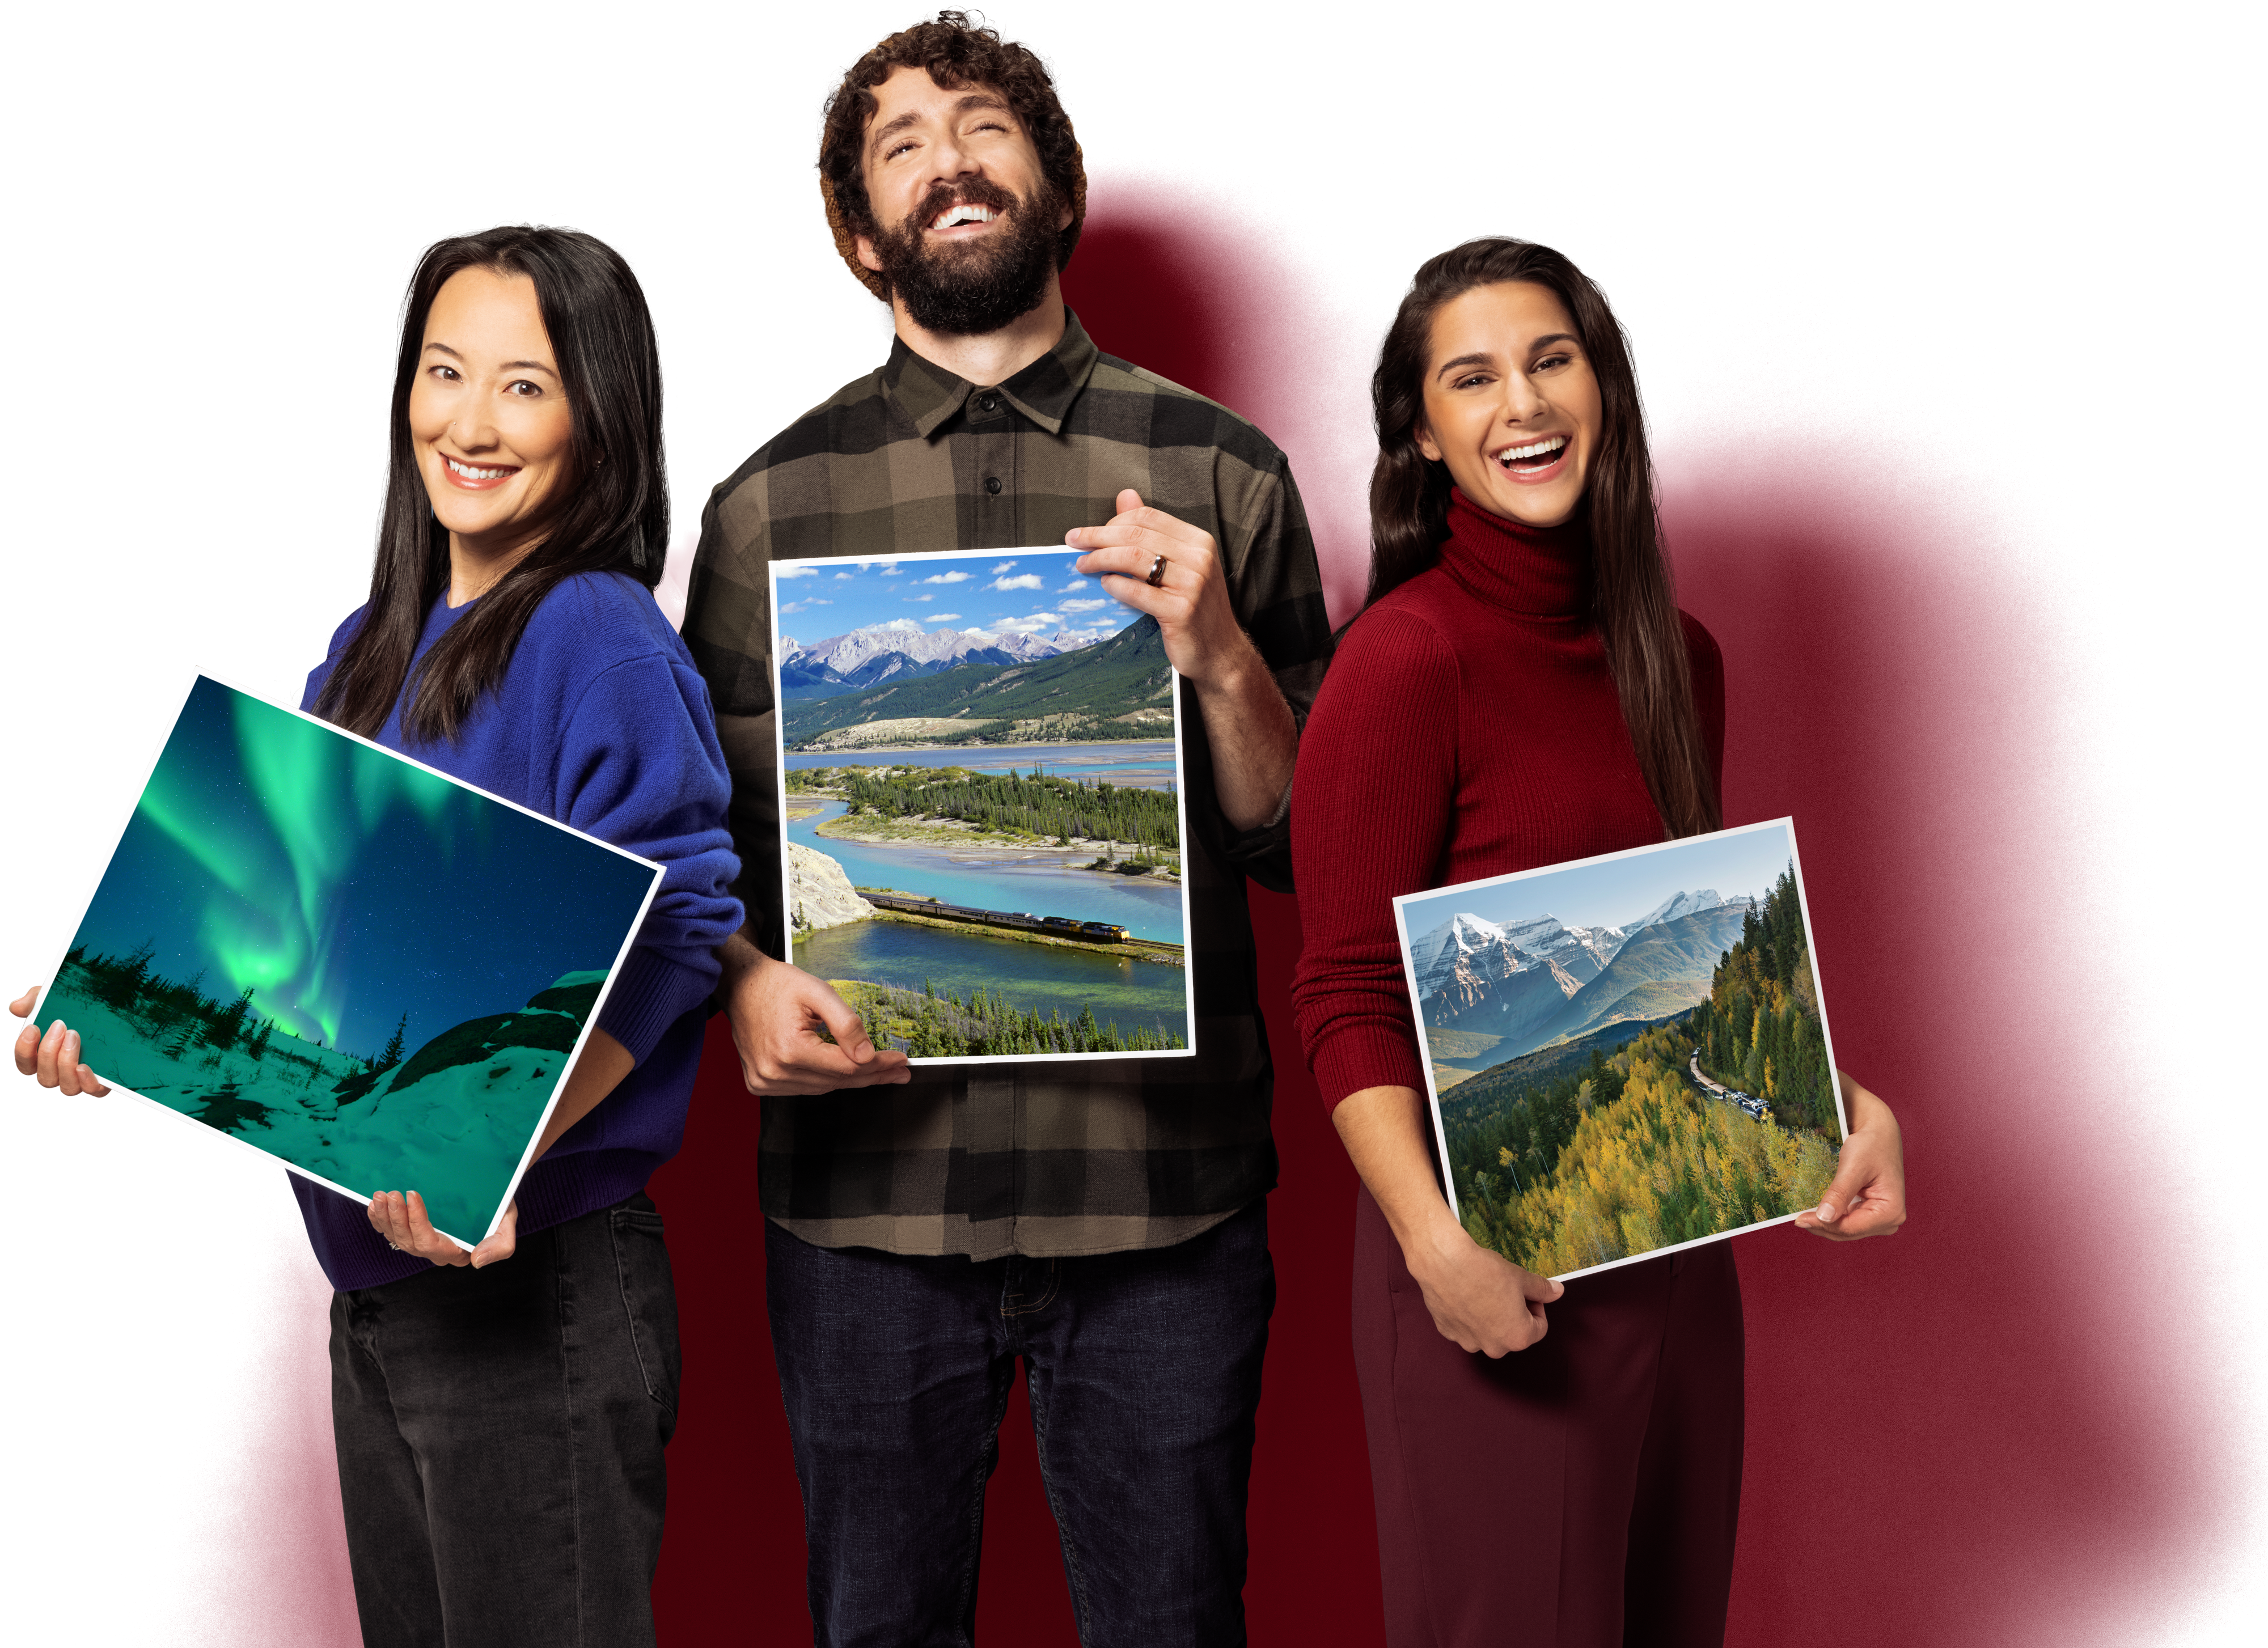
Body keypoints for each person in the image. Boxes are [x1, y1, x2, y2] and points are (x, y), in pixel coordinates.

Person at [678, 13, 1331, 1645]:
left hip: (1164, 1205)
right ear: (860, 233)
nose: (949, 161)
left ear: (1053, 180)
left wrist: (1221, 657)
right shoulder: (766, 508)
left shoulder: (1223, 470)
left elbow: (1303, 848)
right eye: (900, 145)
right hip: (865, 1217)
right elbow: (704, 849)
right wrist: (745, 981)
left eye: (983, 125)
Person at [15, 219, 742, 1648]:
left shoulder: (597, 633)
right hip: (381, 1284)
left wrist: (491, 1149)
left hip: (537, 1284)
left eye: (525, 386)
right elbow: (318, 941)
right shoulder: (374, 635)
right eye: (444, 371)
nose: (469, 423)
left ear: (600, 416)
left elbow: (680, 928)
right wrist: (124, 1017)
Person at [1287, 225, 1909, 1647]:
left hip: (1683, 1247)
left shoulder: (1676, 659)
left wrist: (1837, 1105)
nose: (1522, 404)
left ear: (1603, 386)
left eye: (1550, 360)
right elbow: (1342, 991)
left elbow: (1701, 966)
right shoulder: (1405, 660)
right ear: (1422, 437)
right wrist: (1433, 1246)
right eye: (1471, 378)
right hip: (1488, 1263)